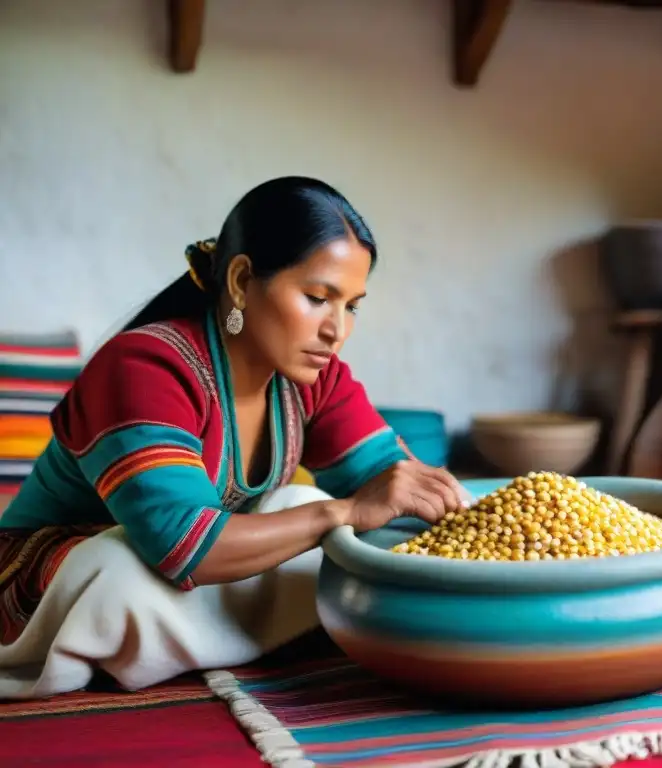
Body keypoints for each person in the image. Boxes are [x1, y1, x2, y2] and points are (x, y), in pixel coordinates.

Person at [0, 176, 468, 699]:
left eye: (352, 305)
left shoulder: (314, 375)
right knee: (119, 570)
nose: (337, 330)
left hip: (198, 580)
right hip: (49, 581)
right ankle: (250, 636)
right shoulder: (142, 366)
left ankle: (215, 641)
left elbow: (391, 480)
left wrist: (478, 523)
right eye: (317, 298)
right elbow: (184, 548)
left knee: (302, 504)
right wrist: (343, 512)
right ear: (243, 280)